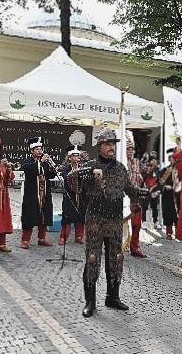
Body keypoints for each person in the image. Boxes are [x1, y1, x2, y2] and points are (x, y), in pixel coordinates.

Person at [67, 127, 145, 318]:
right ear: (100, 146)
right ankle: (90, 302)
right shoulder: (91, 166)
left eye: (112, 144)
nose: (111, 147)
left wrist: (143, 193)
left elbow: (129, 189)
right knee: (93, 259)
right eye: (107, 144)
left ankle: (113, 297)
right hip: (95, 221)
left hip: (115, 220)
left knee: (116, 258)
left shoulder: (120, 168)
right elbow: (72, 184)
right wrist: (85, 175)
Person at [20, 137, 55, 249]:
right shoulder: (27, 161)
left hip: (44, 194)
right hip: (32, 195)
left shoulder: (45, 161)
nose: (40, 151)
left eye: (41, 149)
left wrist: (51, 165)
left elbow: (52, 175)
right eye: (37, 149)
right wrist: (41, 162)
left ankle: (42, 238)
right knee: (29, 217)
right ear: (31, 151)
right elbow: (29, 170)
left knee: (44, 216)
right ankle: (25, 240)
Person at [59, 145, 87, 245]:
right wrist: (73, 172)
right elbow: (65, 176)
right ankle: (63, 237)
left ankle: (79, 237)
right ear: (70, 157)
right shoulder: (66, 168)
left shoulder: (83, 167)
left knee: (80, 216)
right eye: (74, 156)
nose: (76, 158)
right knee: (67, 217)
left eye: (77, 156)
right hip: (69, 196)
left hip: (81, 196)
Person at [152, 148, 179, 239]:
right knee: (168, 214)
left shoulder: (180, 170)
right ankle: (169, 233)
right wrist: (160, 189)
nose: (172, 159)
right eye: (171, 157)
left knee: (178, 214)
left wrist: (174, 187)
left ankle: (179, 233)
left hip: (178, 195)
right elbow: (159, 182)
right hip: (167, 195)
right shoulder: (165, 170)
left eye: (174, 157)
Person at [126, 139, 147, 258]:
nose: (130, 151)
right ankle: (117, 246)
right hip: (124, 197)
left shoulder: (137, 162)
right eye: (128, 149)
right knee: (122, 223)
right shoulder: (120, 161)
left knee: (137, 224)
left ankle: (135, 248)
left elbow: (146, 173)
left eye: (132, 149)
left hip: (136, 198)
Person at [142, 156, 161, 230]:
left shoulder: (158, 171)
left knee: (154, 207)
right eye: (152, 160)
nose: (154, 162)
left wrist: (157, 190)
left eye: (155, 160)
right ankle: (144, 221)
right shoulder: (147, 168)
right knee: (145, 206)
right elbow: (143, 178)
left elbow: (159, 181)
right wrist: (148, 171)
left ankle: (155, 222)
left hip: (154, 190)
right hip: (147, 190)